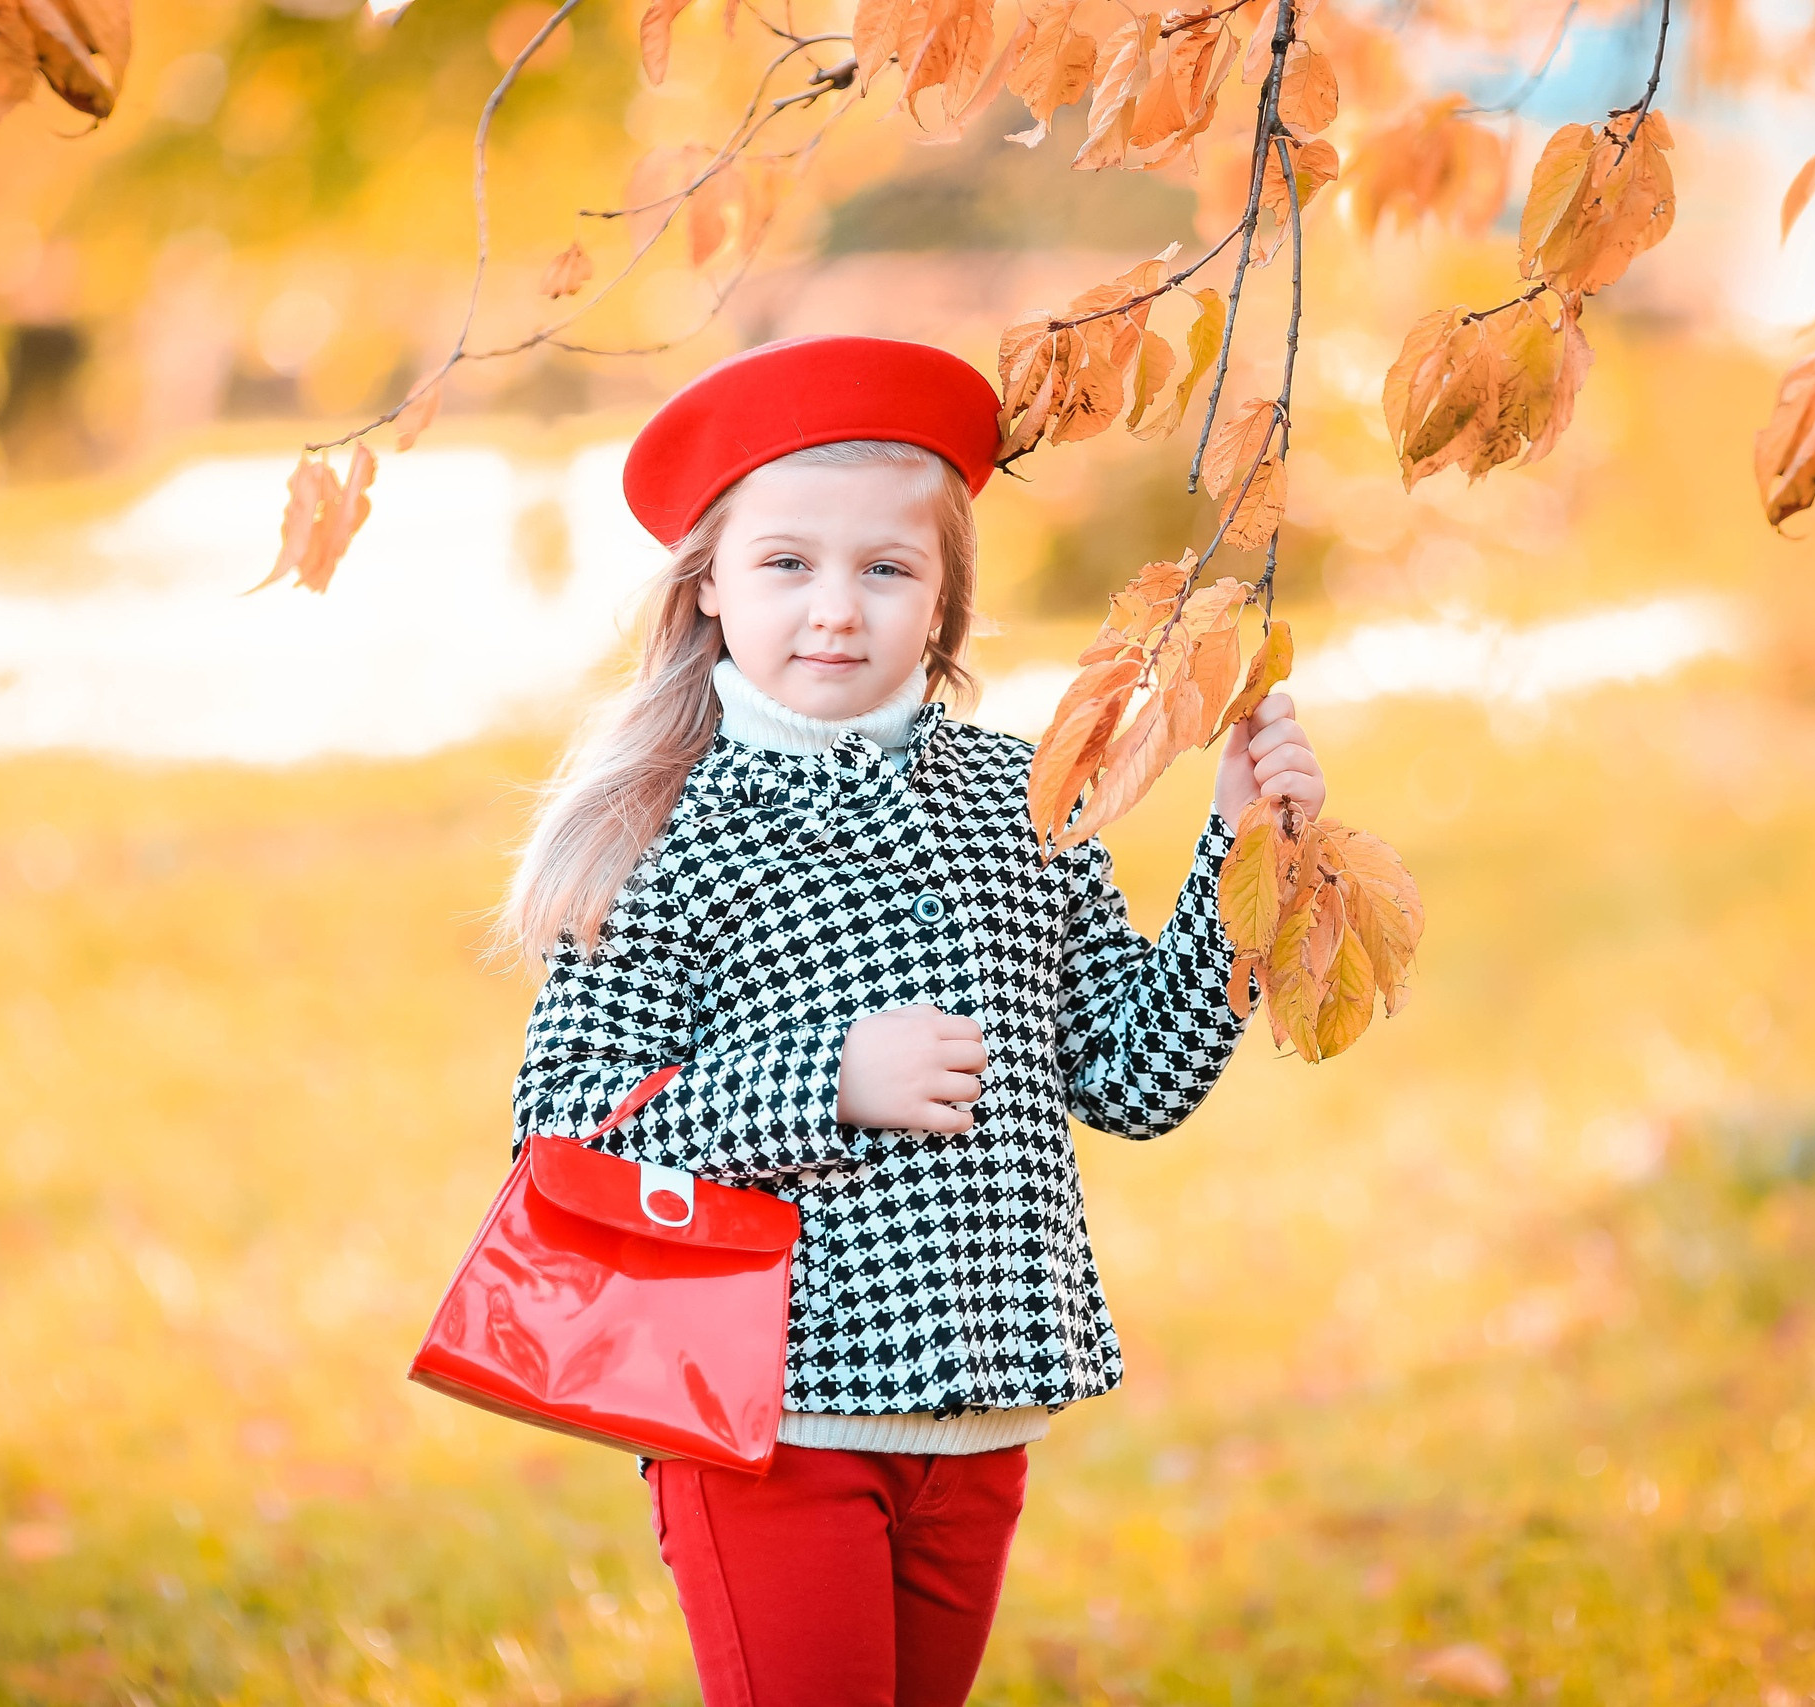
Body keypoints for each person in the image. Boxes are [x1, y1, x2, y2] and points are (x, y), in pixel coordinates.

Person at [498, 335, 1327, 1707]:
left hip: (979, 1414)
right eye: (787, 563)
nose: (837, 607)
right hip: (764, 1419)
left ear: (943, 602)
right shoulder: (663, 833)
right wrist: (828, 1081)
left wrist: (1236, 856)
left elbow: (1129, 1072)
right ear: (709, 582)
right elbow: (568, 1129)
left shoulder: (1023, 800)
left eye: (888, 568)